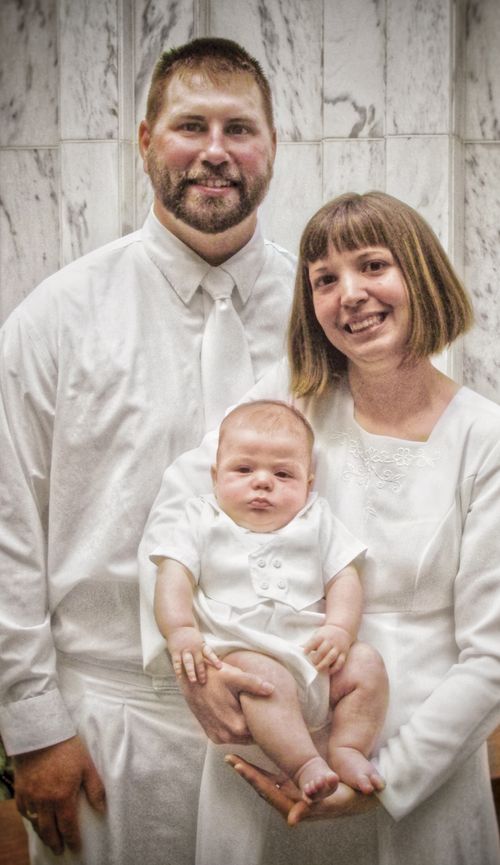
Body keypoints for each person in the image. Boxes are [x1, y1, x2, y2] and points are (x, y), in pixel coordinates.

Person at [0, 37, 297, 865]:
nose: (214, 152)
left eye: (240, 129)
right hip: (108, 726)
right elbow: (7, 524)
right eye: (189, 125)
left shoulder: (323, 313)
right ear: (144, 140)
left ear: (273, 146)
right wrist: (32, 722)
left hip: (287, 726)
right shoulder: (55, 318)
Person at [139, 191, 500, 865]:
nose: (350, 294)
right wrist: (191, 662)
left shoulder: (486, 438)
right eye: (325, 280)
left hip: (419, 773)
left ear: (420, 273)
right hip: (271, 741)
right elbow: (177, 511)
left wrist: (388, 782)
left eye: (372, 265)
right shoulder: (290, 398)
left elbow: (493, 655)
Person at [151, 400, 388, 804]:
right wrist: (181, 632)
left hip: (316, 657)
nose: (263, 482)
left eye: (283, 474)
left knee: (367, 665)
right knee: (264, 682)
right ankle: (303, 764)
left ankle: (348, 747)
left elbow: (344, 577)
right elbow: (173, 575)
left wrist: (339, 630)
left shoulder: (316, 519)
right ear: (215, 476)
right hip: (247, 653)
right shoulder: (201, 518)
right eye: (244, 470)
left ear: (309, 483)